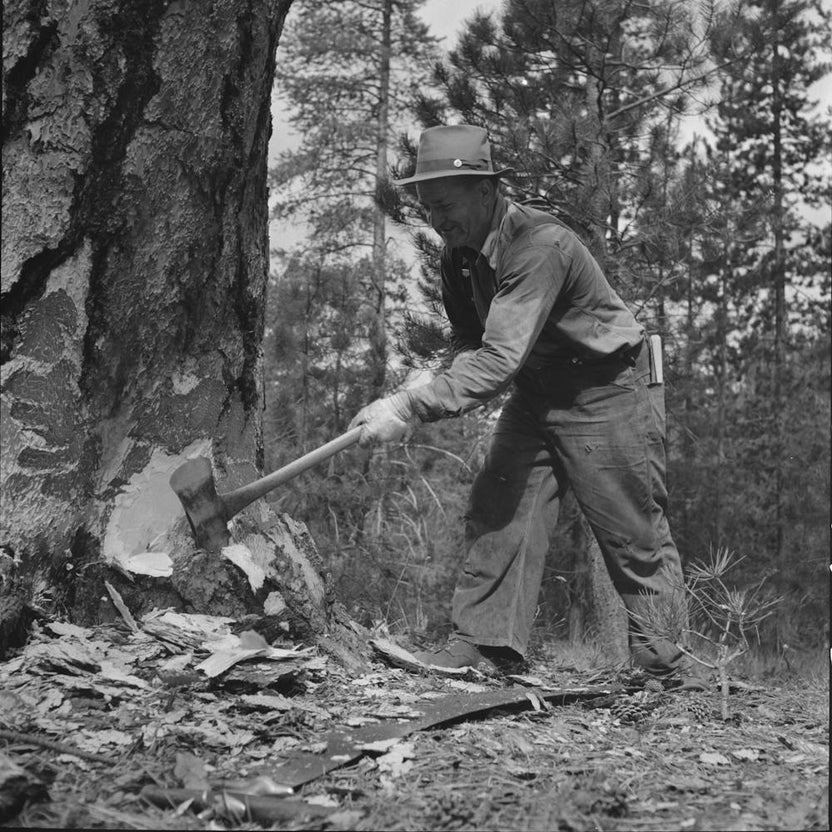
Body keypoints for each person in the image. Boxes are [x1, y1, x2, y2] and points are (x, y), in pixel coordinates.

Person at [349, 124, 701, 686]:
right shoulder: (458, 258)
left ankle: (672, 671)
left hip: (605, 388)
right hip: (537, 388)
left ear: (487, 190)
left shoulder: (539, 246)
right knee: (500, 501)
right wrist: (430, 377)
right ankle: (486, 646)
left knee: (632, 530)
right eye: (427, 207)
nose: (437, 220)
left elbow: (499, 359)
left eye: (446, 204)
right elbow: (474, 341)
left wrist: (409, 406)